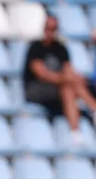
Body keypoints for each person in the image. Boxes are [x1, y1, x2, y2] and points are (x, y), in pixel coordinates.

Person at [24, 13, 96, 146]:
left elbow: (68, 70)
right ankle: (93, 108)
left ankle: (75, 133)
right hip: (37, 89)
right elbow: (42, 74)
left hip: (59, 87)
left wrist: (72, 78)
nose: (50, 32)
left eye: (53, 29)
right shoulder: (35, 48)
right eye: (48, 28)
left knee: (68, 89)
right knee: (68, 86)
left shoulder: (61, 49)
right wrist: (65, 78)